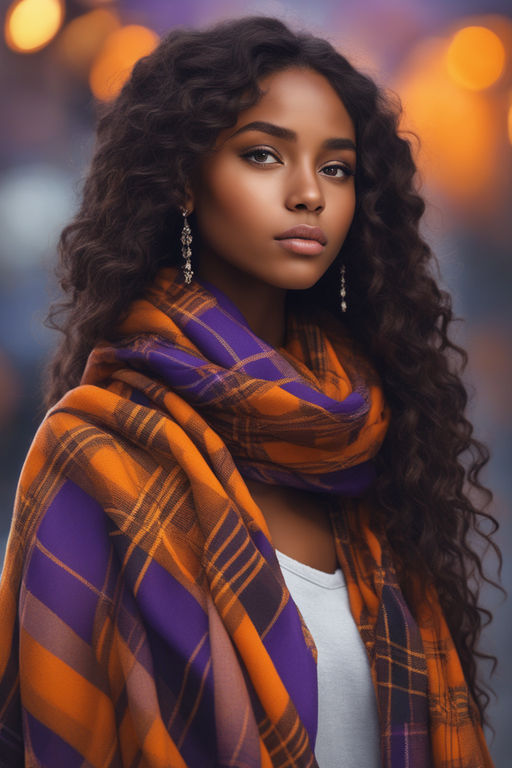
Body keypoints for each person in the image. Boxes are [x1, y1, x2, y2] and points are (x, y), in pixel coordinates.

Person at [0, 14, 500, 768]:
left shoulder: (371, 440)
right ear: (182, 184)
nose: (309, 194)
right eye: (264, 155)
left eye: (336, 167)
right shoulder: (92, 455)